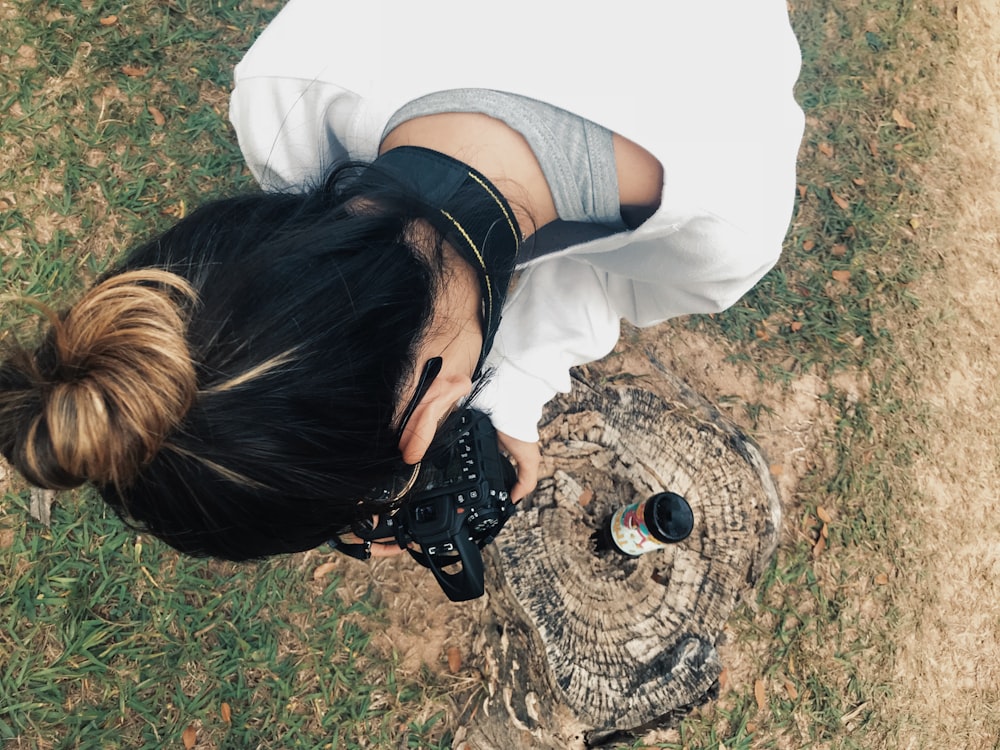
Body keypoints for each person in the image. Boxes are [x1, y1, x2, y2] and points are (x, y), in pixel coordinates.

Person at [0, 0, 804, 562]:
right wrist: (510, 390)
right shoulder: (286, 92)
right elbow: (555, 263)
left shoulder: (725, 229)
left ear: (422, 429)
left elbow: (583, 279)